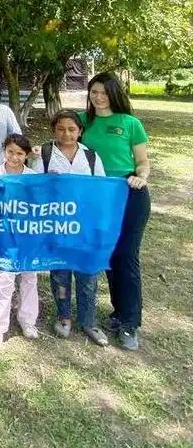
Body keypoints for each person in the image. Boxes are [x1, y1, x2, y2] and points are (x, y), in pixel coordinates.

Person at [79, 72, 151, 352]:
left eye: (103, 92)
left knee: (127, 256)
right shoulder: (84, 121)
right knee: (108, 255)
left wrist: (141, 176)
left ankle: (130, 323)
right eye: (94, 92)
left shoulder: (130, 123)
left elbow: (143, 161)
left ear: (114, 93)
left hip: (129, 193)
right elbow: (63, 136)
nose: (98, 97)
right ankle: (118, 313)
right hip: (97, 198)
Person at [39, 109, 109, 347]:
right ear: (53, 130)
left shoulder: (91, 157)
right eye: (60, 129)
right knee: (60, 274)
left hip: (85, 228)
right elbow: (35, 189)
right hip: (56, 227)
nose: (66, 134)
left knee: (87, 274)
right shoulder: (46, 154)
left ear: (80, 131)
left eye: (71, 129)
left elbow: (101, 191)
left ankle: (89, 321)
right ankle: (64, 315)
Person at [0, 133, 41, 349]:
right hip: (4, 235)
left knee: (30, 277)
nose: (15, 157)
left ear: (26, 155)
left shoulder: (33, 178)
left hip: (28, 235)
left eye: (20, 153)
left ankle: (27, 320)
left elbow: (40, 207)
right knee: (5, 279)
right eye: (10, 152)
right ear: (4, 151)